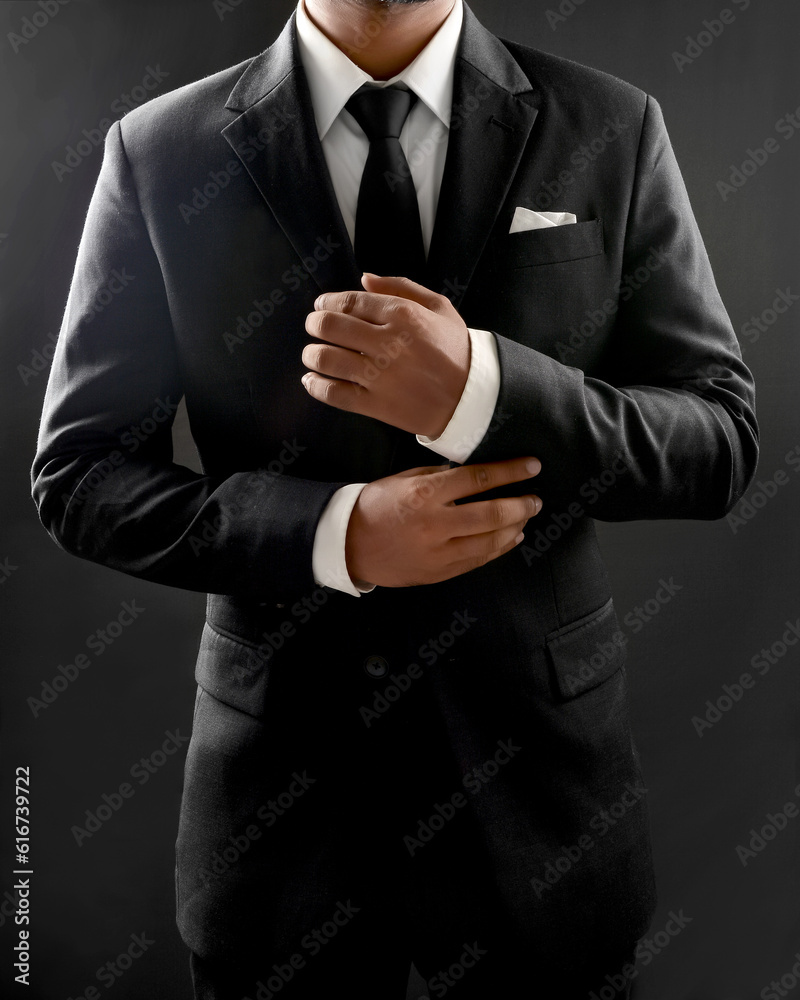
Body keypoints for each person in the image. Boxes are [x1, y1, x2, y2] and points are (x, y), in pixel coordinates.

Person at [32, 0, 758, 995]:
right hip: (279, 831)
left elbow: (719, 440)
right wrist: (335, 536)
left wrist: (482, 394)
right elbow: (80, 476)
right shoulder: (159, 150)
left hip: (540, 815)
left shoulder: (611, 123)